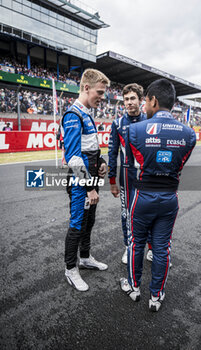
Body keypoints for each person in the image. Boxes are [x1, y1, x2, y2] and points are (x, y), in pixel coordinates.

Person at [120, 78, 196, 311]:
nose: (143, 106)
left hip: (142, 196)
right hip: (169, 198)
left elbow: (130, 164)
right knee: (162, 248)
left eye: (145, 101)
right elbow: (180, 164)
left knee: (136, 243)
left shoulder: (133, 130)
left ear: (153, 100)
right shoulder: (190, 134)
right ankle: (156, 296)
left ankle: (134, 288)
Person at [61, 68, 110, 292]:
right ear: (86, 88)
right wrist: (90, 187)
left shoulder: (87, 114)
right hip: (81, 183)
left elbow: (90, 148)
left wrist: (100, 161)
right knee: (77, 223)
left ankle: (85, 257)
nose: (102, 97)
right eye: (100, 92)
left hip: (91, 179)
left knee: (89, 222)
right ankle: (71, 269)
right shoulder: (73, 115)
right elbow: (73, 156)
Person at [108, 83, 152, 264]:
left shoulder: (150, 122)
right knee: (126, 214)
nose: (129, 102)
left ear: (141, 100)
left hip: (147, 177)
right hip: (126, 178)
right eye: (126, 99)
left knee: (149, 213)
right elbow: (112, 153)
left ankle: (151, 249)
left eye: (133, 98)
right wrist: (112, 180)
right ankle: (129, 247)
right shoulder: (117, 124)